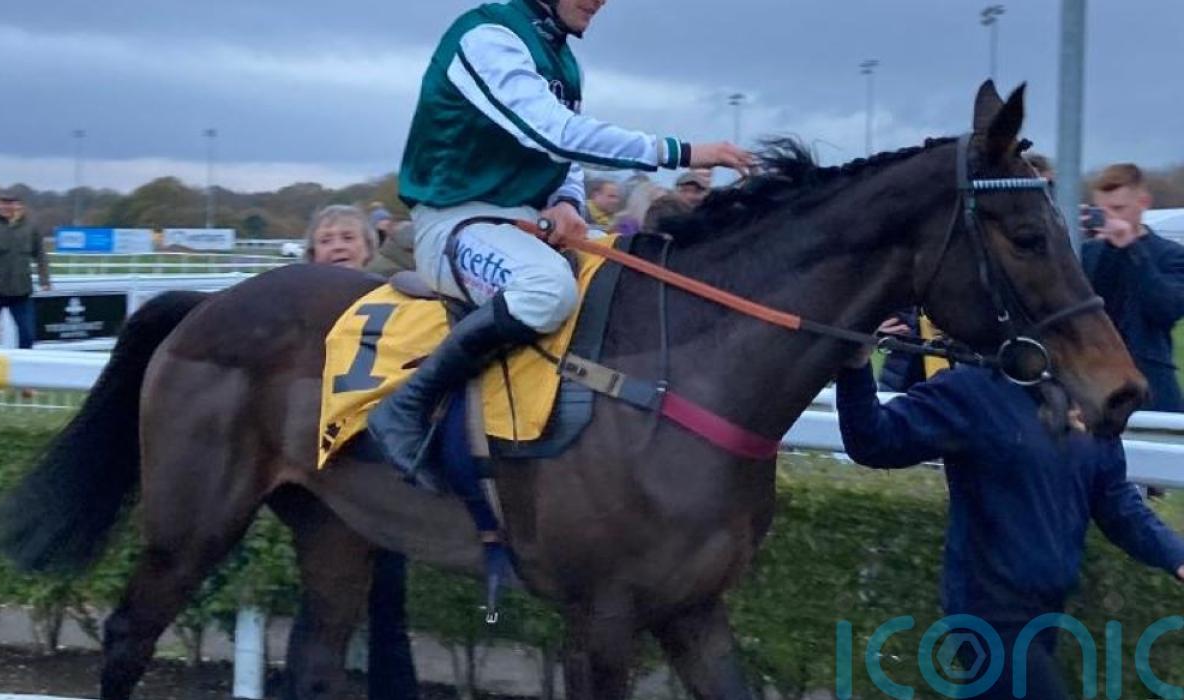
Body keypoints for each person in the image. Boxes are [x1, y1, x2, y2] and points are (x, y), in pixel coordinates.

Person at [376, 0, 754, 477]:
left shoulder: (558, 57)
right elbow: (555, 134)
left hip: (525, 222)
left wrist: (569, 202)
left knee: (630, 270)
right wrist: (680, 152)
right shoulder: (487, 37)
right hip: (455, 222)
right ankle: (407, 406)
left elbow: (563, 157)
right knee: (546, 290)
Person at [836, 331, 1184, 699]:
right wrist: (856, 366)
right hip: (986, 614)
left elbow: (1116, 503)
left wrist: (1176, 556)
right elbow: (874, 439)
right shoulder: (970, 392)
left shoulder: (1086, 397)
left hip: (1047, 613)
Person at [303, 203, 419, 700]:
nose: (338, 247)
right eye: (327, 239)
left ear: (370, 250)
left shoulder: (394, 304)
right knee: (320, 605)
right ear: (311, 254)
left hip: (378, 479)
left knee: (387, 604)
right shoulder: (295, 315)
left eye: (348, 238)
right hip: (319, 480)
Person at [1082, 163, 1184, 412]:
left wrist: (1131, 246)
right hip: (1094, 380)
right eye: (1102, 211)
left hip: (1151, 381)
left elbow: (1166, 309)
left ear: (1143, 203)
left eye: (1118, 209)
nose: (1110, 218)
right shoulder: (1088, 252)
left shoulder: (1171, 254)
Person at [0, 189, 50, 348]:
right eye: (2, 203)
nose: (6, 207)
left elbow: (40, 255)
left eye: (10, 203)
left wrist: (44, 280)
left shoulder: (30, 227)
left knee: (27, 335)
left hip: (21, 291)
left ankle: (25, 363)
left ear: (19, 205)